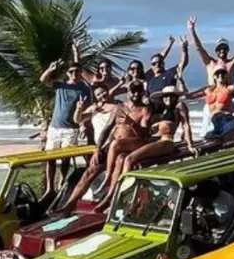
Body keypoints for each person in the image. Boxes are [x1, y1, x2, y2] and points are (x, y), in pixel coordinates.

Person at [71, 81, 153, 209]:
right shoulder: (119, 107)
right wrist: (98, 149)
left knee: (117, 148)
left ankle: (109, 184)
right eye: (133, 91)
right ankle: (70, 203)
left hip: (134, 143)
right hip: (113, 146)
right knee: (91, 170)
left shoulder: (144, 109)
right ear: (128, 92)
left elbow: (144, 132)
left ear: (142, 92)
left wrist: (131, 123)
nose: (135, 94)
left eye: (138, 91)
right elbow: (107, 128)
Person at [38, 60, 93, 192]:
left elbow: (86, 110)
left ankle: (62, 181)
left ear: (80, 73)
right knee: (50, 158)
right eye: (71, 71)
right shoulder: (60, 86)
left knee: (66, 157)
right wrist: (51, 69)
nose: (74, 74)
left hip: (71, 129)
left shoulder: (84, 89)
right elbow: (43, 80)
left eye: (77, 71)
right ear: (67, 73)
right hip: (54, 127)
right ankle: (50, 188)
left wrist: (84, 124)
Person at [187, 66, 234, 140]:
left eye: (223, 73)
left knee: (224, 141)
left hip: (225, 120)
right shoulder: (208, 90)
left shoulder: (230, 88)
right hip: (212, 121)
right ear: (214, 76)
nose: (220, 75)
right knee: (207, 139)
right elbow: (190, 96)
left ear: (226, 75)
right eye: (218, 74)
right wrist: (181, 83)